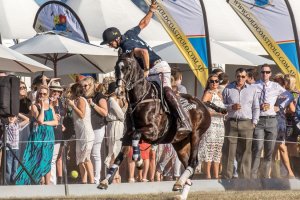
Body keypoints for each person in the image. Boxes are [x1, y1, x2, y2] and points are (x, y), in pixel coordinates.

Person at [100, 1, 192, 154]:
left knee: (167, 91)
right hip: (149, 70)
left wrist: (146, 71)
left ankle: (183, 120)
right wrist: (152, 11)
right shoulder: (129, 34)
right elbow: (143, 23)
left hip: (158, 67)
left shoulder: (126, 46)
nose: (109, 46)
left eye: (109, 43)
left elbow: (143, 52)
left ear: (115, 39)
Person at [251, 64, 293, 179]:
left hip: (272, 120)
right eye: (263, 72)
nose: (265, 74)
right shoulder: (254, 86)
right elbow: (248, 101)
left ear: (270, 73)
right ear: (260, 73)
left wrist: (279, 106)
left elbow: (289, 95)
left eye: (267, 72)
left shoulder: (275, 86)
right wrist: (258, 105)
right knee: (258, 148)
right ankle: (253, 177)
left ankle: (265, 177)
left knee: (269, 151)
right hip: (259, 120)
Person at [222, 68, 259, 179]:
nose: (240, 78)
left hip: (247, 123)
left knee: (246, 152)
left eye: (243, 76)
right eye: (238, 76)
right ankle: (227, 177)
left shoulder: (252, 89)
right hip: (232, 122)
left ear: (246, 77)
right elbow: (221, 106)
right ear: (235, 76)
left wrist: (254, 122)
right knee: (229, 151)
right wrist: (230, 107)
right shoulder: (228, 89)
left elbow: (256, 107)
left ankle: (244, 178)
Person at [16, 85, 58, 185]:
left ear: (47, 95)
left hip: (49, 135)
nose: (42, 95)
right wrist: (42, 106)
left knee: (47, 158)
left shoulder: (51, 107)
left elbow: (55, 122)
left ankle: (47, 184)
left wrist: (45, 123)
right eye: (40, 93)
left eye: (44, 94)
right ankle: (36, 181)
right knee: (36, 158)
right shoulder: (34, 106)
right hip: (38, 135)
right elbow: (39, 119)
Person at [198, 74, 226, 179]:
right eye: (212, 81)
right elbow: (204, 110)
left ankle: (216, 174)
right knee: (209, 148)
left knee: (218, 149)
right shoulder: (207, 93)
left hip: (220, 125)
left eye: (216, 81)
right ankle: (208, 175)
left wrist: (224, 112)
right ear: (208, 83)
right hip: (211, 125)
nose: (214, 83)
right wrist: (218, 113)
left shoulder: (219, 94)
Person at [81, 76, 108, 184]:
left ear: (91, 85)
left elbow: (105, 112)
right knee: (86, 154)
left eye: (85, 86)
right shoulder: (82, 96)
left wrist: (92, 104)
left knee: (95, 153)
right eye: (82, 86)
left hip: (98, 127)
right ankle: (89, 179)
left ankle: (96, 179)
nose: (83, 88)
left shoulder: (99, 96)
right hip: (87, 129)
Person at [67, 83, 95, 184]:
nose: (70, 93)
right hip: (80, 134)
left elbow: (82, 115)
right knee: (79, 159)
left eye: (71, 91)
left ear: (75, 92)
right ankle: (84, 181)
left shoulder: (81, 100)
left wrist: (73, 106)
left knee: (86, 158)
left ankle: (92, 181)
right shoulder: (76, 100)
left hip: (86, 133)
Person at [272, 73, 295, 178]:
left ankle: (289, 173)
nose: (277, 83)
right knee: (273, 148)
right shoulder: (271, 91)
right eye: (275, 81)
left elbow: (292, 109)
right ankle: (271, 174)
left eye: (279, 81)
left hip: (280, 122)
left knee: (281, 147)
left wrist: (282, 109)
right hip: (272, 121)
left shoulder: (286, 94)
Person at [104, 82, 126, 184]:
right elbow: (121, 115)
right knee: (114, 151)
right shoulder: (112, 100)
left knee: (116, 150)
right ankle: (114, 175)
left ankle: (116, 174)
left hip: (116, 125)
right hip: (115, 126)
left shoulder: (113, 100)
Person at [49, 81, 66, 185]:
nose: (56, 94)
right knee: (51, 158)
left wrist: (61, 123)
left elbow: (63, 113)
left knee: (57, 157)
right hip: (50, 131)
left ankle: (56, 182)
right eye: (54, 91)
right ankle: (51, 182)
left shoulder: (60, 102)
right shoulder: (48, 102)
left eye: (58, 91)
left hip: (59, 130)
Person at [4, 114, 29, 185]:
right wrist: (8, 117)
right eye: (10, 116)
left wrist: (17, 113)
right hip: (9, 149)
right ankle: (8, 184)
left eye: (13, 116)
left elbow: (27, 120)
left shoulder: (17, 125)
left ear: (16, 118)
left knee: (15, 168)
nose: (11, 118)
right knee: (8, 168)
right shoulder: (5, 126)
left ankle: (13, 183)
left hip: (16, 149)